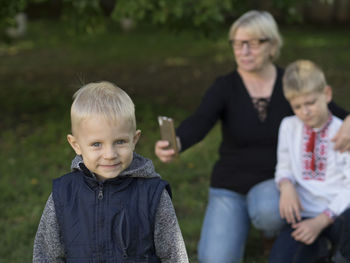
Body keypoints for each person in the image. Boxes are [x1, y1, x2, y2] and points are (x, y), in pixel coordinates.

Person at [154, 10, 350, 263]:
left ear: (272, 45)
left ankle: (273, 232)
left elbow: (330, 110)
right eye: (237, 43)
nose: (243, 50)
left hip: (272, 183)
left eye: (253, 43)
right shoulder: (225, 86)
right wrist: (177, 141)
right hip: (230, 184)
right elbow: (201, 120)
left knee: (269, 211)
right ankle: (250, 226)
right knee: (215, 259)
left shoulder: (291, 84)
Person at [33, 81, 189, 262]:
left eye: (120, 142)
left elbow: (174, 255)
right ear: (76, 145)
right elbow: (46, 256)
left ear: (134, 139)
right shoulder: (63, 194)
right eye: (96, 144)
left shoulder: (153, 195)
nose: (110, 154)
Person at [269, 60, 350, 263]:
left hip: (339, 212)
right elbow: (284, 165)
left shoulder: (343, 133)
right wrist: (286, 185)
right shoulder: (288, 126)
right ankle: (320, 249)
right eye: (297, 106)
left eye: (311, 103)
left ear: (327, 94)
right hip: (303, 214)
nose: (305, 111)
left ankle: (339, 254)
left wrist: (322, 221)